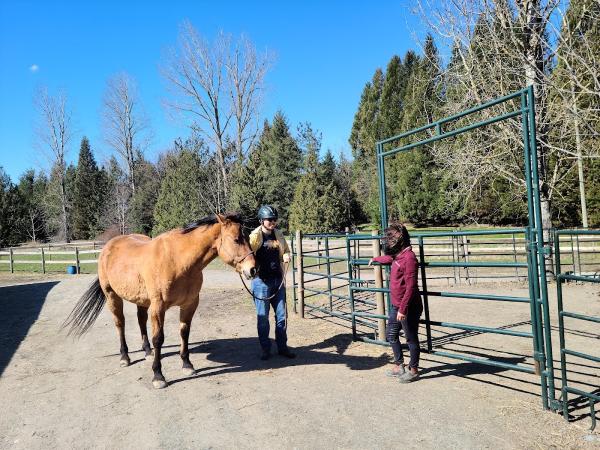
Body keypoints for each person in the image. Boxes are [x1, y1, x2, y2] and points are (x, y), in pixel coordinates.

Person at [369, 222, 423, 383]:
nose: (388, 241)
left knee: (411, 338)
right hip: (397, 305)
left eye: (391, 238)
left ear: (400, 239)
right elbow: (389, 258)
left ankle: (413, 369)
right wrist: (375, 259)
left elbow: (411, 286)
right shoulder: (398, 255)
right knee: (391, 335)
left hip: (408, 307)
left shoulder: (409, 258)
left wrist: (403, 309)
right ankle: (399, 365)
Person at [249, 205, 296, 361]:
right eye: (269, 219)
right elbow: (246, 255)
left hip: (278, 280)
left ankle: (282, 347)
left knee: (282, 317)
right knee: (263, 318)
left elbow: (286, 250)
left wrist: (287, 256)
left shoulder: (279, 234)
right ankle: (265, 349)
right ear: (262, 220)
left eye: (274, 219)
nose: (273, 222)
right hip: (261, 282)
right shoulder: (254, 237)